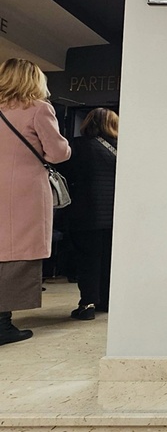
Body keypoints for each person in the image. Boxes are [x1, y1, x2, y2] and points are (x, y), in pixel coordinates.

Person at [0, 58, 71, 346]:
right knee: (18, 253)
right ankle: (3, 323)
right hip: (23, 191)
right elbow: (57, 153)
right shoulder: (38, 108)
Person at [59, 108, 118, 320]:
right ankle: (106, 300)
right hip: (114, 215)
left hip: (85, 214)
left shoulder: (77, 145)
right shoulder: (121, 149)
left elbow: (65, 173)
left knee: (88, 260)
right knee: (109, 260)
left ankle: (88, 304)